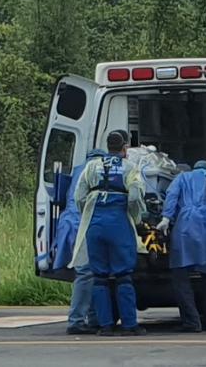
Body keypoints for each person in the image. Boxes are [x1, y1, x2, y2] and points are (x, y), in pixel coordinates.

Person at [71, 129, 147, 337]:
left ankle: (104, 326)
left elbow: (79, 197)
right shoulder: (130, 168)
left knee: (100, 277)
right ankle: (130, 326)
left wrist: (88, 214)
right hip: (119, 224)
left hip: (95, 225)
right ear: (124, 148)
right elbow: (134, 198)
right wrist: (136, 219)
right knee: (123, 276)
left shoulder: (92, 167)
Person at [156, 160, 206, 332]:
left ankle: (192, 321)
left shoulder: (183, 177)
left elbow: (171, 195)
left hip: (186, 226)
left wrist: (166, 218)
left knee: (180, 275)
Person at [51, 152, 101, 335]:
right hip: (80, 224)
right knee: (86, 272)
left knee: (91, 273)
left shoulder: (80, 168)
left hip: (69, 223)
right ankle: (77, 320)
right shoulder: (95, 168)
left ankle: (93, 317)